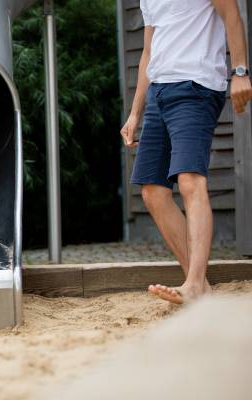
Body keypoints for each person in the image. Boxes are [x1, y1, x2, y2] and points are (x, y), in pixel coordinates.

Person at [121, 0, 252, 304]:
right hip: (159, 90)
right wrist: (134, 113)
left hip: (196, 85)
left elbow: (231, 13)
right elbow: (148, 52)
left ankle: (192, 284)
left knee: (190, 180)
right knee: (153, 191)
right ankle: (200, 287)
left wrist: (241, 71)